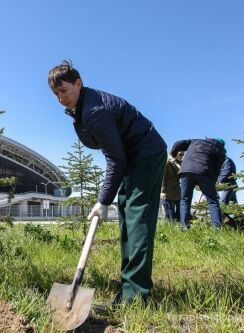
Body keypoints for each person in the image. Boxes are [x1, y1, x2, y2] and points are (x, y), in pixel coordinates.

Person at [48, 61, 167, 306]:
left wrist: (103, 201)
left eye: (64, 90)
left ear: (78, 84)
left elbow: (115, 159)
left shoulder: (94, 111)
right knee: (127, 216)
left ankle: (136, 298)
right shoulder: (83, 107)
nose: (60, 98)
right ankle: (130, 283)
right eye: (56, 93)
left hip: (146, 155)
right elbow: (116, 155)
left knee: (137, 221)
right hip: (133, 157)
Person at [170, 138, 226, 229]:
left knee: (185, 200)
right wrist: (212, 182)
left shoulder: (196, 141)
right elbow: (217, 169)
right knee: (213, 202)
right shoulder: (220, 151)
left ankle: (184, 228)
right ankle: (217, 229)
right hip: (204, 172)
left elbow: (177, 143)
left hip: (186, 171)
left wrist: (173, 154)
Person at [160, 150, 184, 221]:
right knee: (170, 212)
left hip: (177, 190)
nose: (182, 156)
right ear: (175, 154)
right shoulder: (167, 162)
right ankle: (171, 228)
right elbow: (162, 177)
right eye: (180, 154)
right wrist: (162, 191)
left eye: (183, 154)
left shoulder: (181, 163)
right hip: (168, 191)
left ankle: (180, 228)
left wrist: (175, 163)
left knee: (180, 211)